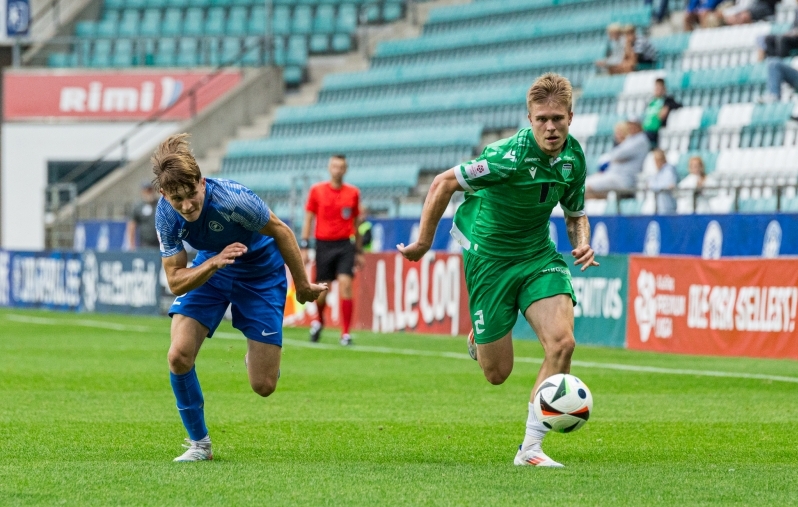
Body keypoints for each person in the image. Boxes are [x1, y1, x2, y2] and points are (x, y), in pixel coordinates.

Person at [398, 73, 598, 468]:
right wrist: (423, 243)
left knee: (562, 344)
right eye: (542, 119)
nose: (551, 127)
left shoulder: (574, 159)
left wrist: (581, 240)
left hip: (539, 256)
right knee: (497, 372)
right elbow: (442, 184)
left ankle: (530, 449)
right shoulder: (507, 156)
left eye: (558, 118)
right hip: (490, 260)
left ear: (570, 117)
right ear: (530, 119)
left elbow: (576, 215)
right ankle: (480, 337)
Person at [153, 134, 327, 462]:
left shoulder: (233, 200)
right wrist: (213, 262)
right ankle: (199, 444)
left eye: (192, 194)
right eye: (178, 199)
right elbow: (175, 282)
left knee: (263, 385)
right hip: (212, 267)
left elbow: (282, 231)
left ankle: (259, 356)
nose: (187, 205)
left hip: (260, 270)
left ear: (201, 182)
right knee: (178, 355)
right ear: (165, 195)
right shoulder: (166, 216)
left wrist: (302, 286)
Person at [300, 154, 363, 346]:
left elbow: (356, 222)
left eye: (341, 166)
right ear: (330, 168)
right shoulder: (317, 191)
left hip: (345, 244)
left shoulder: (353, 193)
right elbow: (309, 218)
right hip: (323, 244)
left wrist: (359, 251)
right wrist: (304, 245)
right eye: (334, 166)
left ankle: (345, 333)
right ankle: (319, 321)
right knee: (322, 290)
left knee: (345, 284)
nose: (338, 170)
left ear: (345, 169)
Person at [586, 116, 650, 198]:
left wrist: (616, 156)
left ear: (639, 126)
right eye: (630, 125)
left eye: (634, 125)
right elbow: (615, 155)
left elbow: (616, 154)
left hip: (624, 179)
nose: (631, 127)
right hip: (614, 176)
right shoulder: (631, 139)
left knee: (588, 186)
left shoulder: (641, 140)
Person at [642, 78, 682, 146]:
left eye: (659, 88)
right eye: (656, 87)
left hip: (656, 132)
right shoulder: (651, 101)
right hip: (646, 130)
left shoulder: (667, 100)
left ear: (664, 89)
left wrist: (667, 106)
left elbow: (679, 105)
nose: (657, 90)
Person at [127, 181, 160, 250]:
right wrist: (131, 245)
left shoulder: (160, 204)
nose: (149, 193)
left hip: (160, 243)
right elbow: (132, 226)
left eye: (150, 190)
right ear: (143, 192)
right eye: (147, 191)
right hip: (145, 244)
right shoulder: (138, 206)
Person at [648, 149, 678, 214]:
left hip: (668, 205)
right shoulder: (658, 172)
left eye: (658, 160)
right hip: (660, 207)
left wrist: (654, 186)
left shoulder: (669, 169)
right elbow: (651, 184)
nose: (656, 163)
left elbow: (667, 185)